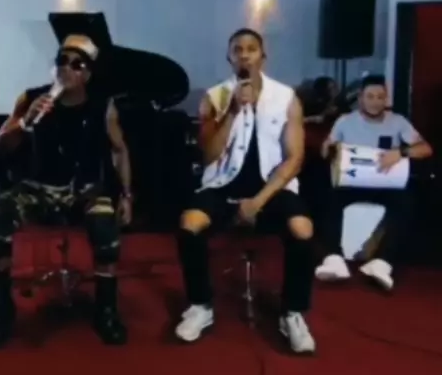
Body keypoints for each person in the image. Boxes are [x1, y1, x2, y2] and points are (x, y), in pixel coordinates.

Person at [0, 34, 132, 350]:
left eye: (77, 64)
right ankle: (1, 312)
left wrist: (127, 195)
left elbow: (119, 151)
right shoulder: (31, 98)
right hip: (36, 188)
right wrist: (24, 123)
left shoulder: (102, 106)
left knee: (104, 224)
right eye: (62, 60)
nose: (67, 68)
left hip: (83, 190)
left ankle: (106, 311)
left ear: (87, 74)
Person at [175, 28, 316, 353]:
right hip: (222, 183)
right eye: (237, 49)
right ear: (229, 57)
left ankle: (293, 313)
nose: (244, 55)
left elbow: (295, 158)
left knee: (302, 229)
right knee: (189, 224)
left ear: (262, 56)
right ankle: (200, 305)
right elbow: (208, 155)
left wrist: (258, 201)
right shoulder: (215, 97)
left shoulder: (286, 98)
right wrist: (233, 112)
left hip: (271, 188)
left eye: (251, 49)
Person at [316, 73, 432, 291]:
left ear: (386, 99)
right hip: (351, 183)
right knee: (329, 197)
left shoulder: (397, 121)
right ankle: (333, 258)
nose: (375, 102)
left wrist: (402, 151)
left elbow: (426, 149)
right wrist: (331, 149)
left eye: (380, 97)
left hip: (386, 184)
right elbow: (325, 150)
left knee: (407, 202)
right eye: (370, 96)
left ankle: (382, 262)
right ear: (361, 97)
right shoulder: (345, 121)